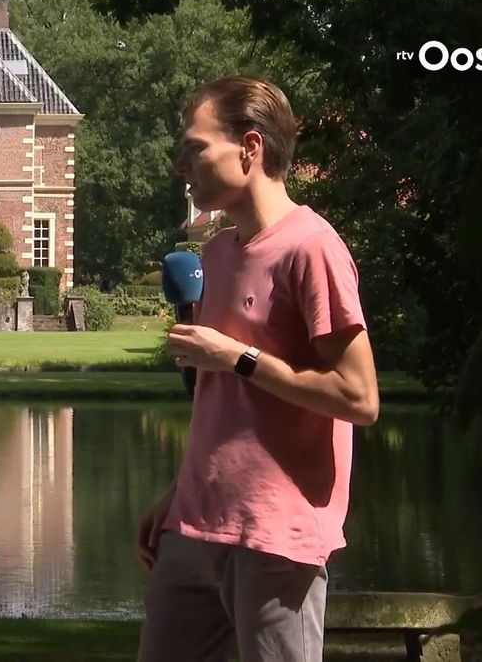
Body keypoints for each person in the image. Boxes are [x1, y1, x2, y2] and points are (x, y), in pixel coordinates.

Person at [137, 76, 379, 661]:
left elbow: (360, 397)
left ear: (249, 149)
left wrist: (238, 357)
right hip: (195, 527)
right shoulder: (217, 253)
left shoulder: (311, 248)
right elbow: (223, 408)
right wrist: (179, 491)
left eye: (195, 148)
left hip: (277, 539)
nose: (181, 166)